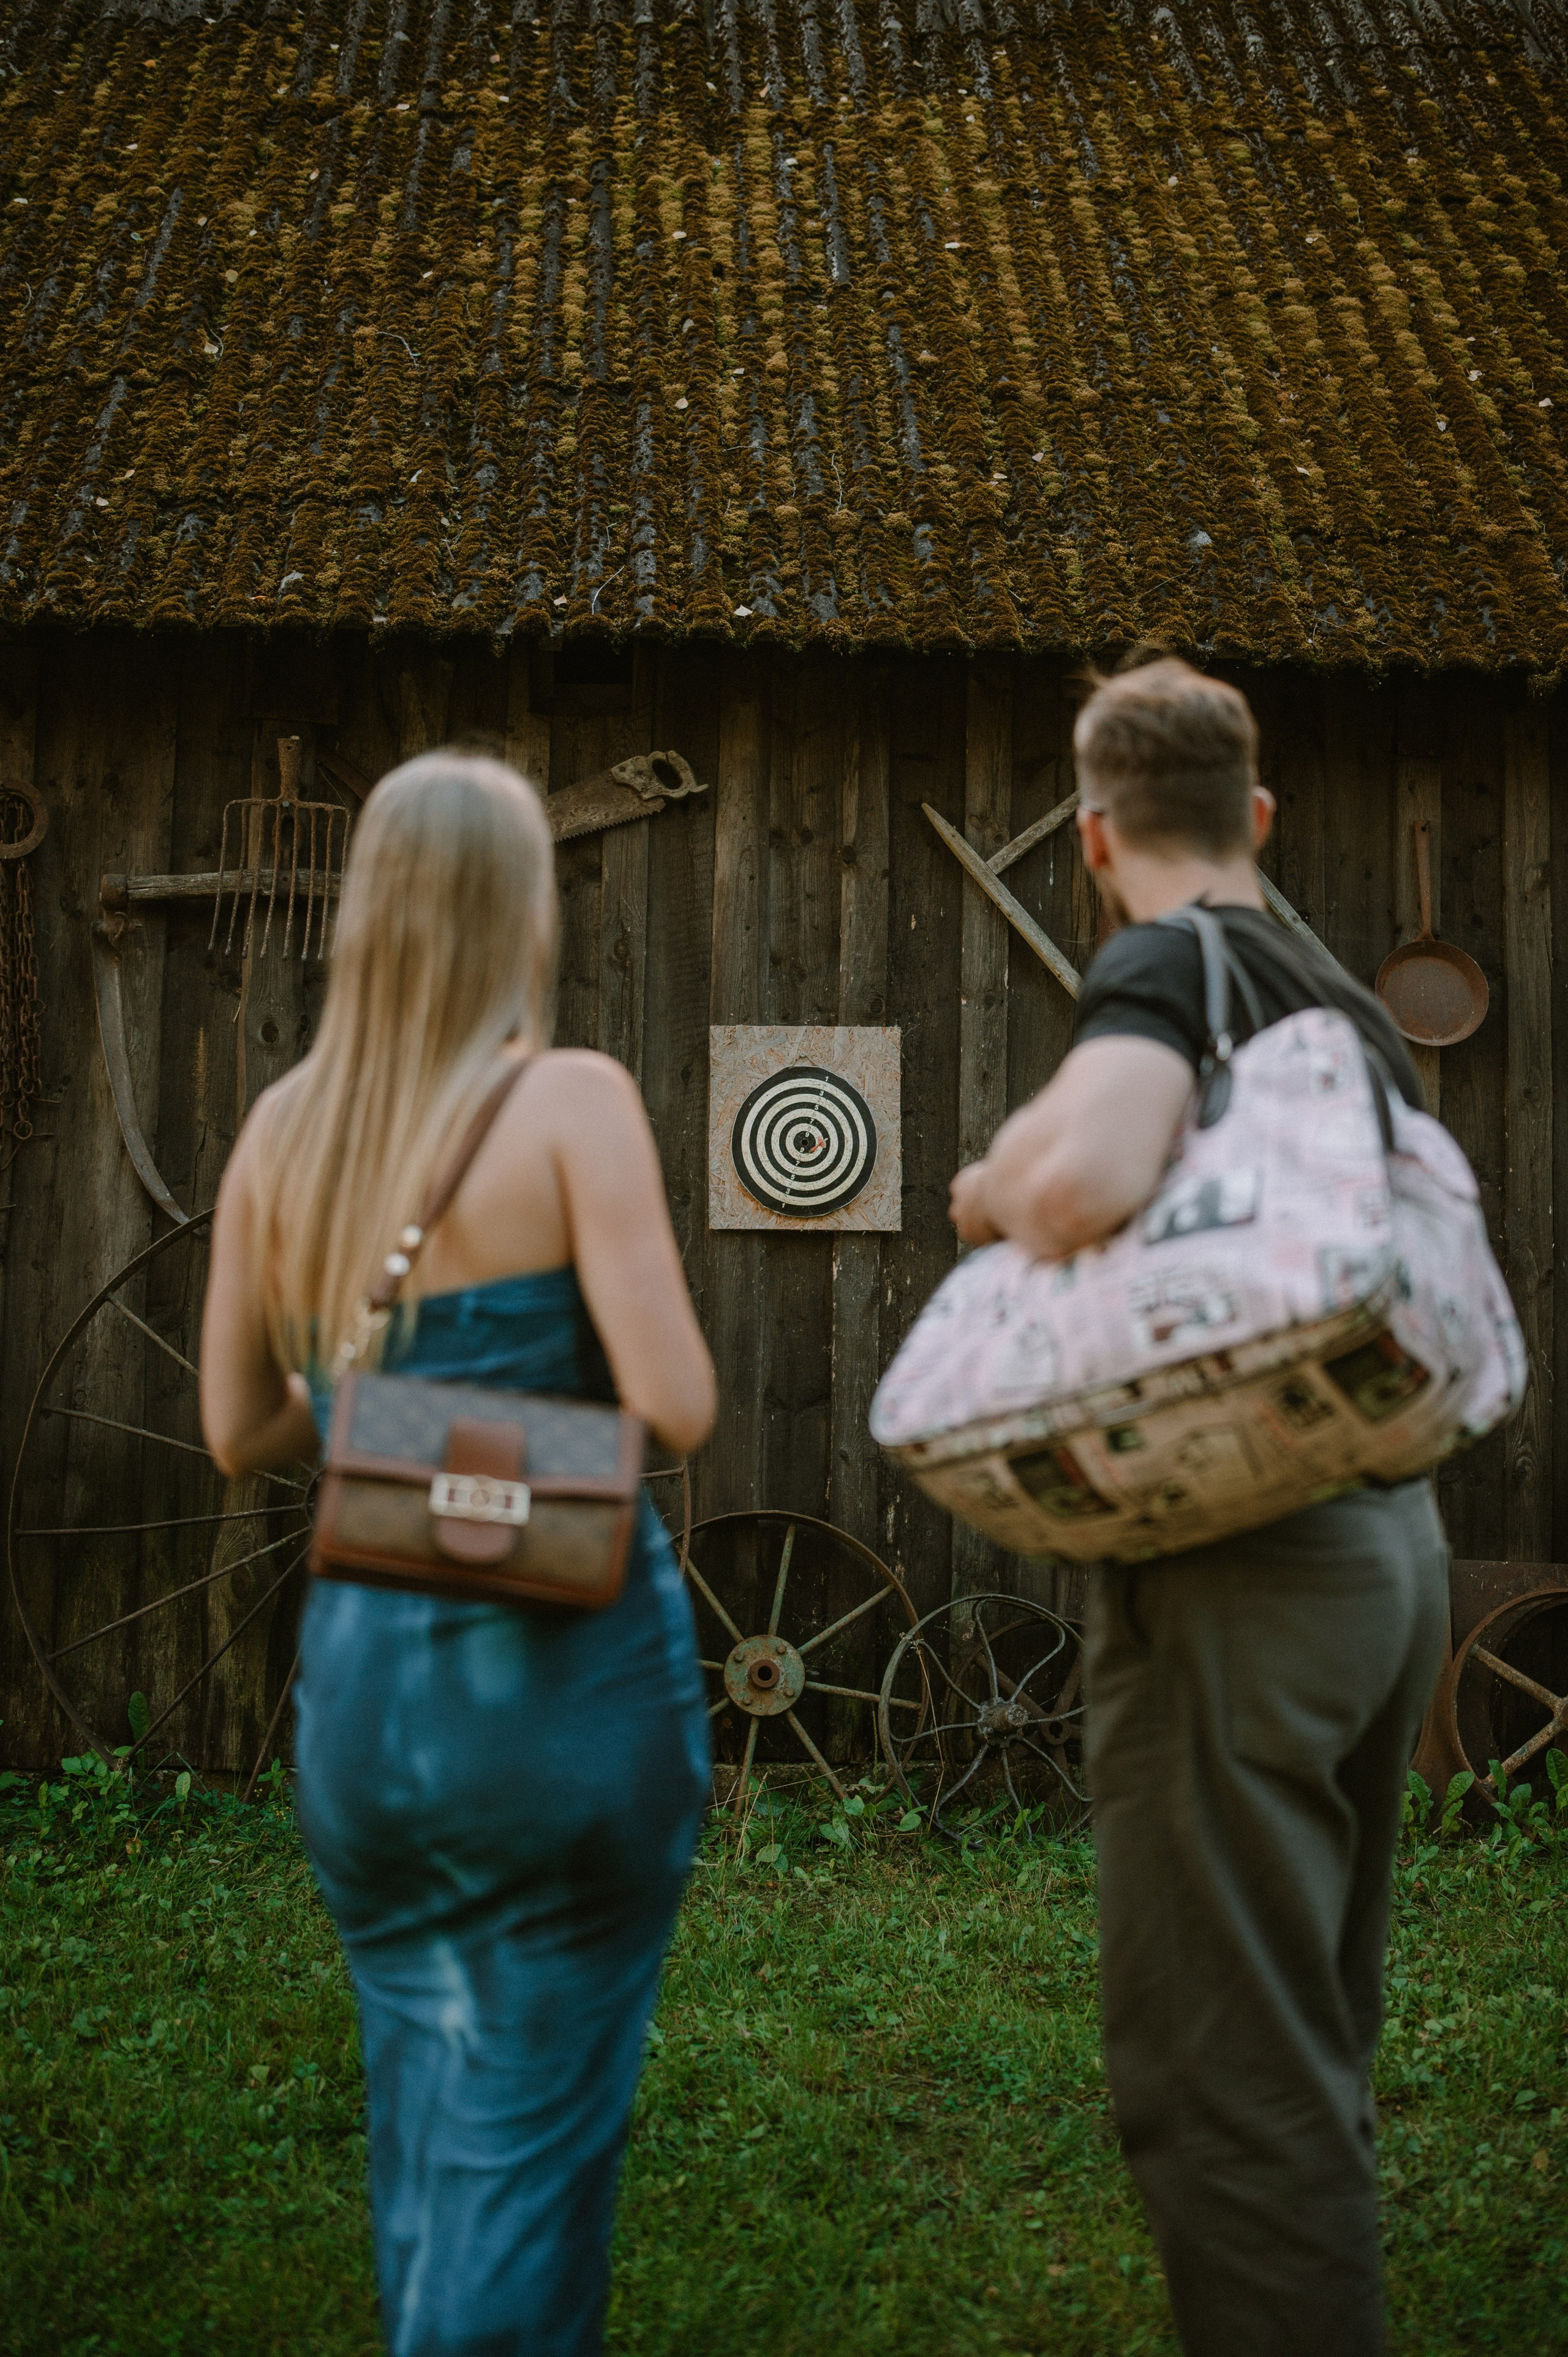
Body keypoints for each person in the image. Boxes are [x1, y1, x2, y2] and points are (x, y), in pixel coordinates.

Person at [949, 656, 1447, 2357]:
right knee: (1311, 2033)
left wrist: (988, 1188)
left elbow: (1086, 1173)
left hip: (1247, 1564)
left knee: (1222, 2081)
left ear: (1094, 837)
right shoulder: (1342, 1004)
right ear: (1260, 815)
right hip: (1389, 1543)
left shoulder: (1169, 959)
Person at [200, 751, 716, 2357]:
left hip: (371, 1702)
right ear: (522, 913)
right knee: (530, 2141)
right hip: (552, 1693)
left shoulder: (282, 1130)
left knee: (428, 2102)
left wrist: (392, 1410)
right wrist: (510, 1411)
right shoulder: (570, 1102)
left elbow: (240, 1427)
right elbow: (678, 1404)